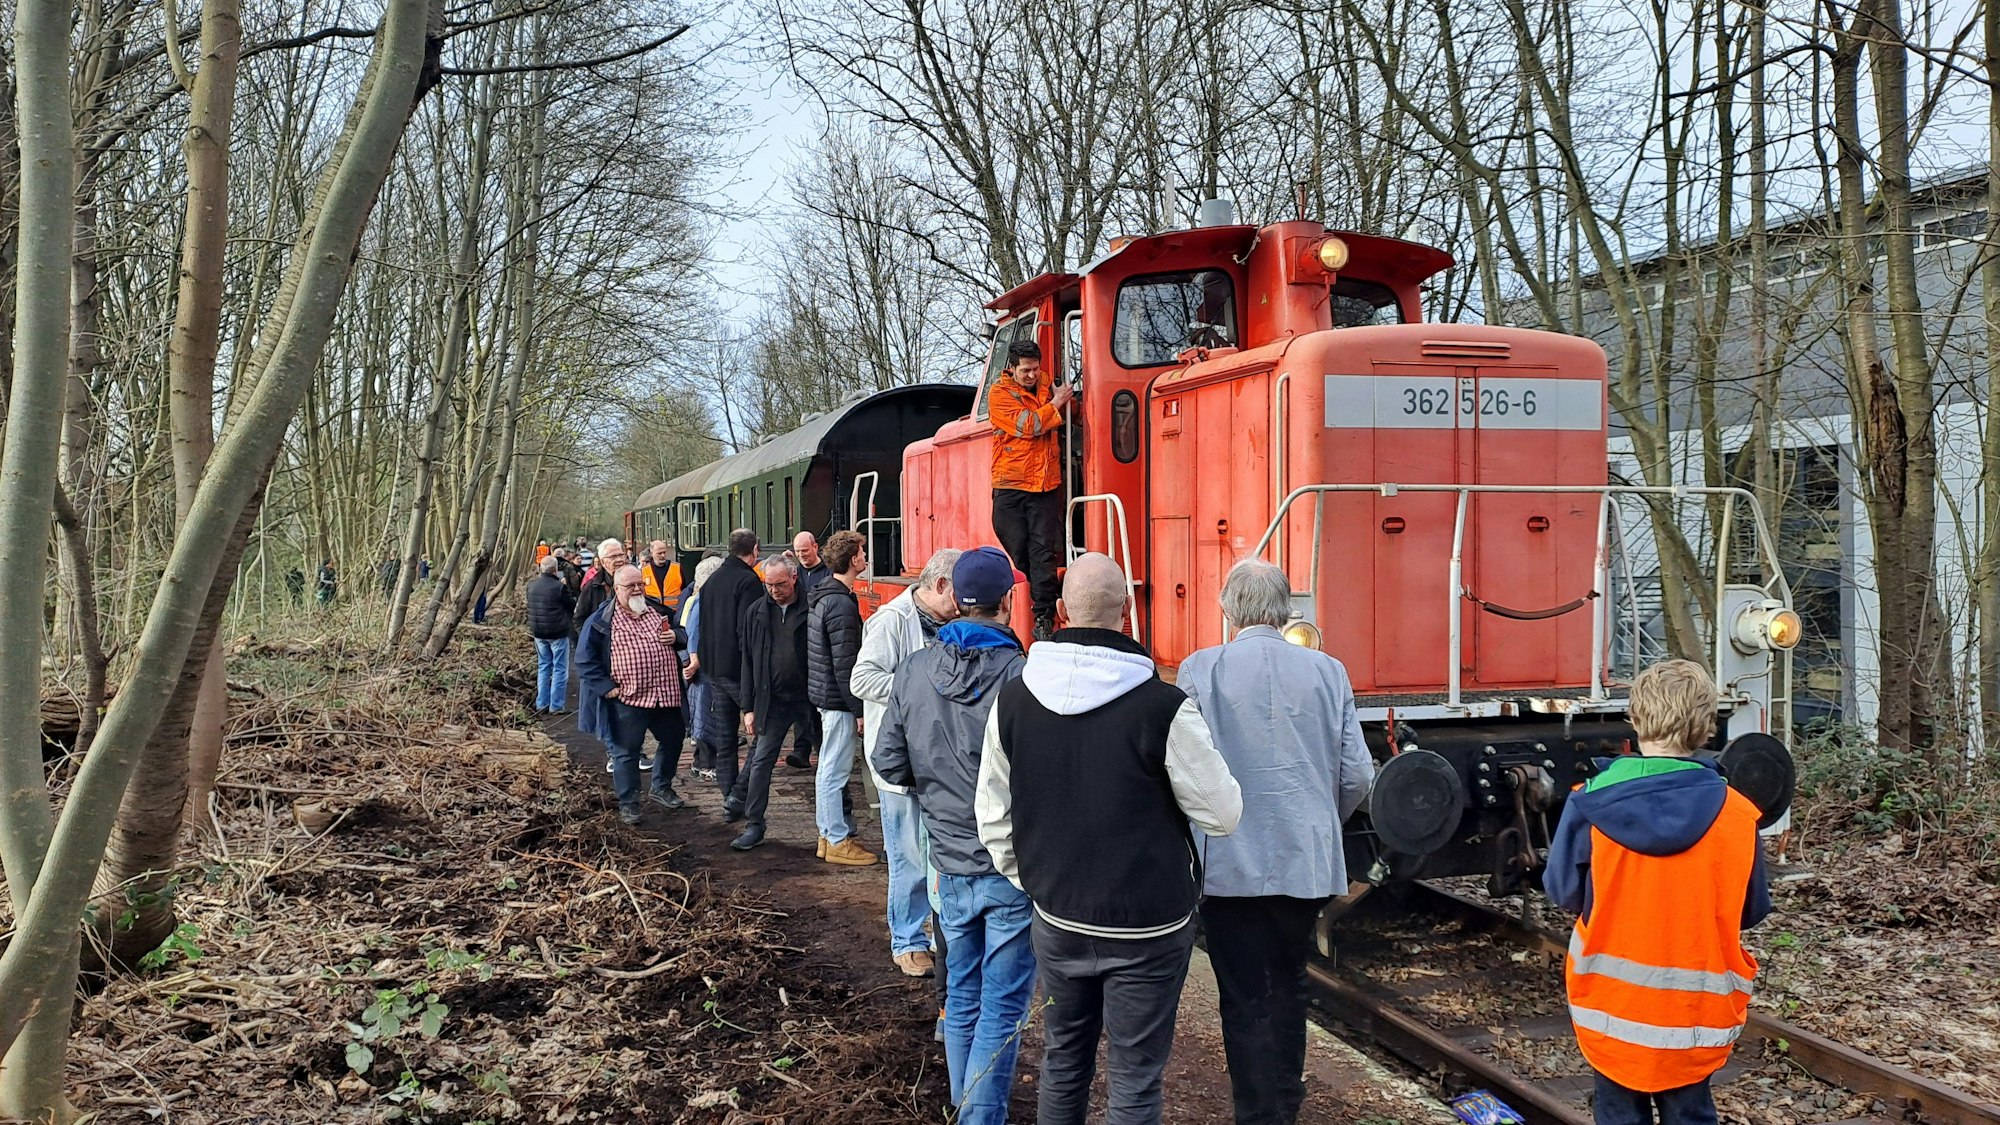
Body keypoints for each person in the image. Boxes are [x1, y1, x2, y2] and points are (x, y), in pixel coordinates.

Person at [976, 552, 1242, 1125]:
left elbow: (992, 817)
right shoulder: (1164, 708)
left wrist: (1043, 882)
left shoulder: (1014, 700)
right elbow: (1223, 816)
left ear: (1064, 611)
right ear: (1127, 611)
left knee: (1064, 1061)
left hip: (1059, 919)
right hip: (1149, 928)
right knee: (1135, 1077)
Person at [1177, 560, 1376, 1125]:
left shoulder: (1199, 670)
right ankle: (1283, 1106)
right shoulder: (1328, 671)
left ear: (1227, 610)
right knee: (1290, 985)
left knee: (1241, 994)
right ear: (1288, 610)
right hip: (1304, 860)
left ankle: (1254, 1111)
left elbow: (1185, 769)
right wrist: (1320, 819)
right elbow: (1357, 775)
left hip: (1226, 861)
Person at [1544, 660, 1771, 1125]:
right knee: (1691, 1113)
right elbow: (1750, 910)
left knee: (1617, 1113)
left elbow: (1564, 891)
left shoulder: (1590, 801)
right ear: (1707, 726)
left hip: (1614, 1011)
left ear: (1636, 719)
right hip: (1695, 1015)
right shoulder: (1737, 815)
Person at [876, 547, 1031, 1125]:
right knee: (1003, 1003)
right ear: (1007, 603)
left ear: (954, 599)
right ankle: (977, 1118)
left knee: (961, 995)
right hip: (1010, 867)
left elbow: (890, 763)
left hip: (946, 861)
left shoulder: (914, 669)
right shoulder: (1022, 676)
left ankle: (965, 1107)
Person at [853, 548, 962, 978]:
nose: (965, 602)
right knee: (908, 855)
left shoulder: (946, 622)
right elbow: (861, 679)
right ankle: (907, 939)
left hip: (936, 757)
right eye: (960, 592)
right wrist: (916, 687)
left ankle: (935, 933)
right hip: (902, 760)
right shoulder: (892, 621)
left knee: (936, 853)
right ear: (939, 586)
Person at [575, 564, 690, 824]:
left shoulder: (657, 611)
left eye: (640, 584)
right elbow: (584, 660)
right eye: (630, 586)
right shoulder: (602, 621)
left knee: (673, 740)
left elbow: (684, 633)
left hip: (665, 695)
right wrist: (607, 688)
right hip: (628, 699)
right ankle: (629, 804)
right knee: (626, 752)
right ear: (617, 589)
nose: (637, 589)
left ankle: (661, 787)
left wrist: (677, 636)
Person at [986, 338, 1073, 641]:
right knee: (1019, 547)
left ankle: (1044, 615)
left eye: (1035, 369)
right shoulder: (999, 394)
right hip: (1010, 484)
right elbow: (1029, 425)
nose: (1032, 375)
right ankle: (1045, 590)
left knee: (1041, 552)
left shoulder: (1051, 386)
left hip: (1045, 485)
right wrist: (1058, 404)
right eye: (1026, 370)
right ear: (1012, 368)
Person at [724, 556, 811, 851]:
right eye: (769, 584)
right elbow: (747, 660)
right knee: (761, 762)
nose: (774, 590)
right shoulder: (756, 612)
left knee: (830, 760)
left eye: (780, 584)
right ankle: (754, 824)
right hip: (772, 699)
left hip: (808, 699)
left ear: (794, 579)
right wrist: (747, 707)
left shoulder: (811, 607)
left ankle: (842, 820)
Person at [806, 530, 876, 866]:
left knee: (830, 769)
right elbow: (846, 663)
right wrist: (859, 708)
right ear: (852, 560)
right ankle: (835, 839)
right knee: (834, 770)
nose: (865, 557)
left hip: (828, 696)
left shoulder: (826, 596)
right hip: (837, 700)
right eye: (862, 552)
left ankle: (827, 835)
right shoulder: (840, 603)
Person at [698, 530, 764, 801]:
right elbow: (746, 632)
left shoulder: (712, 579)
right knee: (764, 733)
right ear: (756, 550)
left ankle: (728, 795)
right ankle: (739, 793)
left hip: (713, 668)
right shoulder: (748, 581)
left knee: (725, 738)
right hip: (737, 672)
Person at [680, 556, 725, 781]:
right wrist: (694, 660)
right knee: (707, 714)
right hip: (704, 668)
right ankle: (705, 764)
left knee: (704, 714)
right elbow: (693, 631)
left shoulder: (696, 599)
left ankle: (702, 762)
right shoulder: (702, 601)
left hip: (701, 667)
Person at [525, 556, 576, 714]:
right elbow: (572, 605)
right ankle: (556, 705)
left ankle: (541, 703)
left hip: (538, 632)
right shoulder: (558, 587)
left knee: (543, 666)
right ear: (555, 569)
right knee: (560, 668)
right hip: (557, 632)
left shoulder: (531, 585)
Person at [573, 537, 627, 632]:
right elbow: (579, 619)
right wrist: (591, 641)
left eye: (621, 555)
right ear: (602, 562)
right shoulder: (593, 586)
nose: (619, 560)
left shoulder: (636, 581)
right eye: (613, 557)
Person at [643, 539, 685, 609]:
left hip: (673, 612)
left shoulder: (677, 568)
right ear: (651, 554)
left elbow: (685, 590)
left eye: (664, 552)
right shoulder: (644, 570)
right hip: (654, 613)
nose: (663, 555)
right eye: (659, 553)